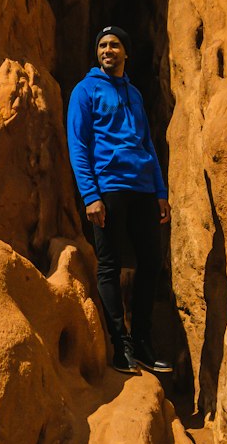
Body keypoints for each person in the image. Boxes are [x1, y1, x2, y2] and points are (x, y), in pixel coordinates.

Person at [67, 25, 173, 375]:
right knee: (109, 265)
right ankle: (120, 345)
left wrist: (160, 192)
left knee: (151, 262)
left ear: (126, 53)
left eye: (114, 45)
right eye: (102, 46)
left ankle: (142, 341)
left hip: (143, 188)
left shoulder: (135, 94)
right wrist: (90, 195)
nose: (107, 50)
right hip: (109, 188)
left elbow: (147, 146)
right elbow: (79, 145)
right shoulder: (86, 91)